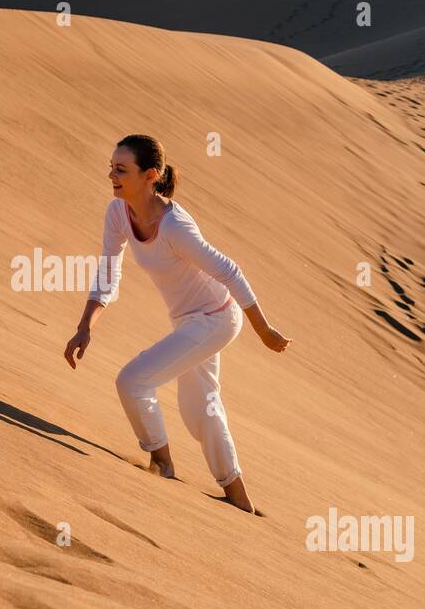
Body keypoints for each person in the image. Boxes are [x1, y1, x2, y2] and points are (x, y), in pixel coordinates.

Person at [64, 135, 291, 513]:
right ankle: (239, 497)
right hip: (188, 320)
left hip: (216, 318)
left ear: (150, 175)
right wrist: (86, 324)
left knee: (133, 381)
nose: (111, 175)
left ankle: (162, 465)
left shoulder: (174, 227)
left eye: (121, 169)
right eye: (111, 166)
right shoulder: (118, 212)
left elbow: (231, 271)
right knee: (199, 407)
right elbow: (108, 269)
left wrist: (264, 331)